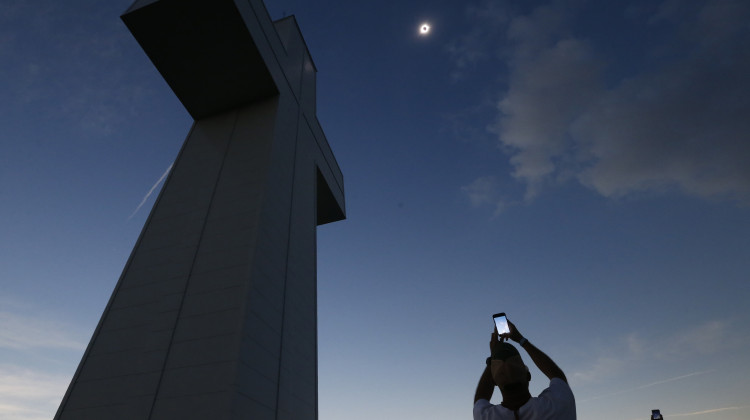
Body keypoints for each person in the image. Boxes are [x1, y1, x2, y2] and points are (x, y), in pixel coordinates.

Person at [473, 320, 576, 420]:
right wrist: (521, 339)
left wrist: (493, 356)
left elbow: (481, 397)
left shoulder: (485, 416)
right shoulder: (557, 406)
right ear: (528, 375)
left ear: (493, 381)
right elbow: (557, 375)